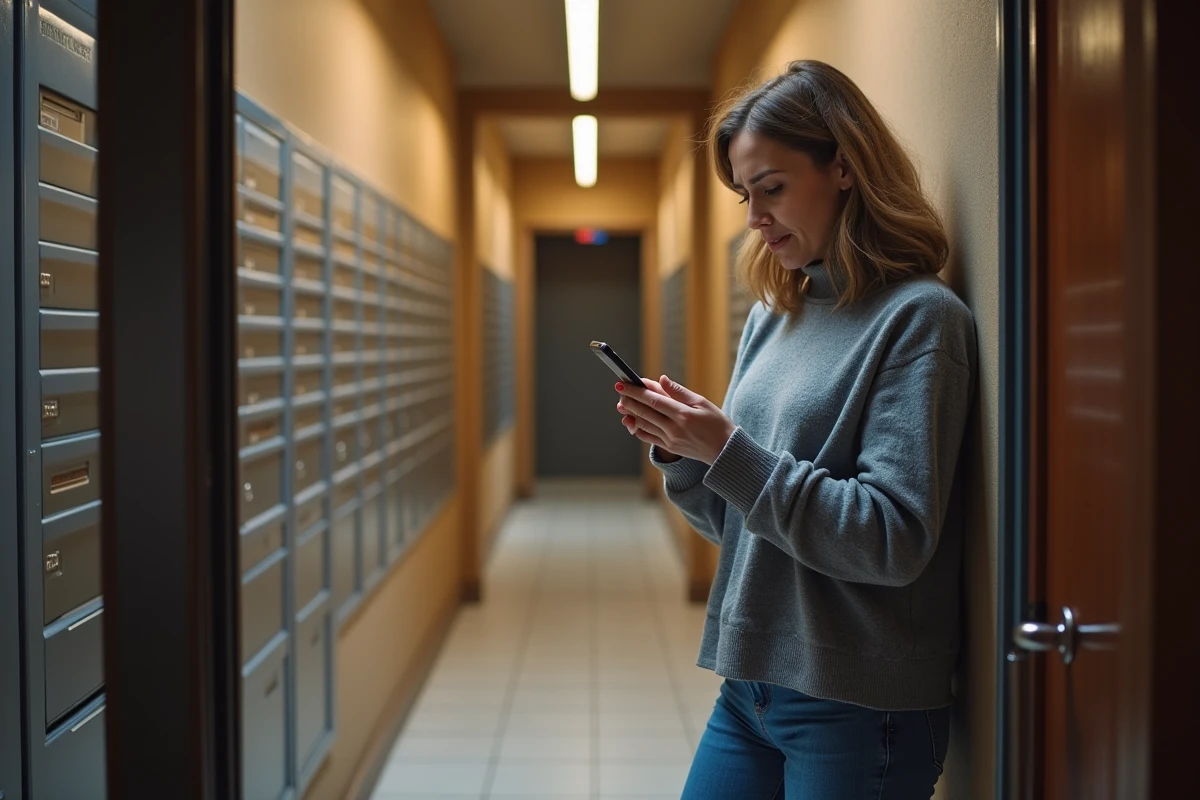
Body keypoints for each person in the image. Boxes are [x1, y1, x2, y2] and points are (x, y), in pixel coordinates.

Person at [613, 60, 975, 798]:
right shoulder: (775, 316)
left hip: (858, 702)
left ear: (844, 167)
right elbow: (746, 523)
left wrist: (727, 450)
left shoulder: (919, 320)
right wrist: (684, 455)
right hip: (750, 686)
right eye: (746, 195)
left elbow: (893, 538)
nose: (754, 217)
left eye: (771, 189)